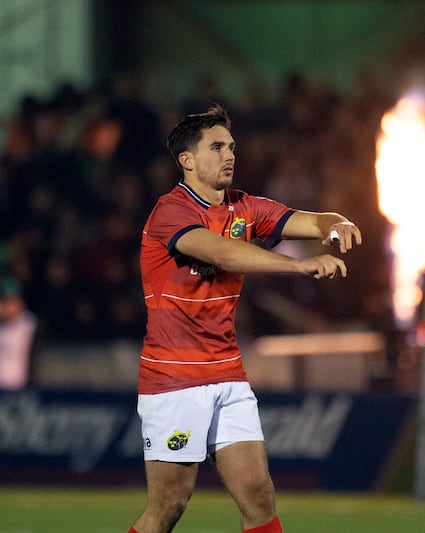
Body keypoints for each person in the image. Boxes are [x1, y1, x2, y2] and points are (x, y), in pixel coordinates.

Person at [129, 104, 362, 533]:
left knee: (259, 496)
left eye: (231, 146)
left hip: (228, 375)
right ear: (188, 160)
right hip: (175, 378)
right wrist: (297, 266)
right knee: (169, 506)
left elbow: (308, 221)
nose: (229, 154)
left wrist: (336, 222)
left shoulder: (245, 208)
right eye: (216, 147)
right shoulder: (171, 212)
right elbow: (221, 251)